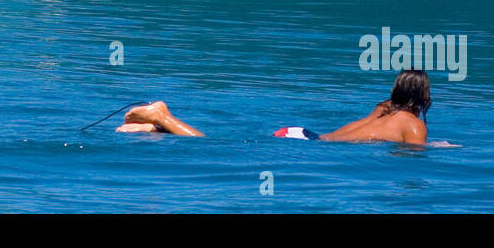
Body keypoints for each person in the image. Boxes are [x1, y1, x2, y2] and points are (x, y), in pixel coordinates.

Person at [117, 69, 432, 146]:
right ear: (423, 98)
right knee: (212, 144)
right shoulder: (413, 124)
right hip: (309, 147)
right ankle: (163, 115)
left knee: (221, 140)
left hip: (301, 133)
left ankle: (155, 127)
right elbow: (415, 152)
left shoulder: (384, 108)